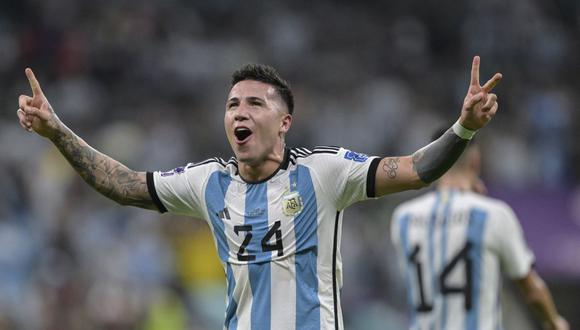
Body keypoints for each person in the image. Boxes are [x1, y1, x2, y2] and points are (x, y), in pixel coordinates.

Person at [17, 56, 500, 330]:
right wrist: (57, 131)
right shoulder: (208, 182)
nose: (239, 112)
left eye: (254, 103)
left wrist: (463, 128)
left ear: (285, 121)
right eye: (231, 105)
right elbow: (122, 185)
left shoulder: (325, 173)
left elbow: (416, 169)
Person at [389, 131, 569, 330]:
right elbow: (532, 290)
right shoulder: (494, 215)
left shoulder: (403, 218)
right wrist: (554, 322)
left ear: (431, 163)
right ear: (475, 161)